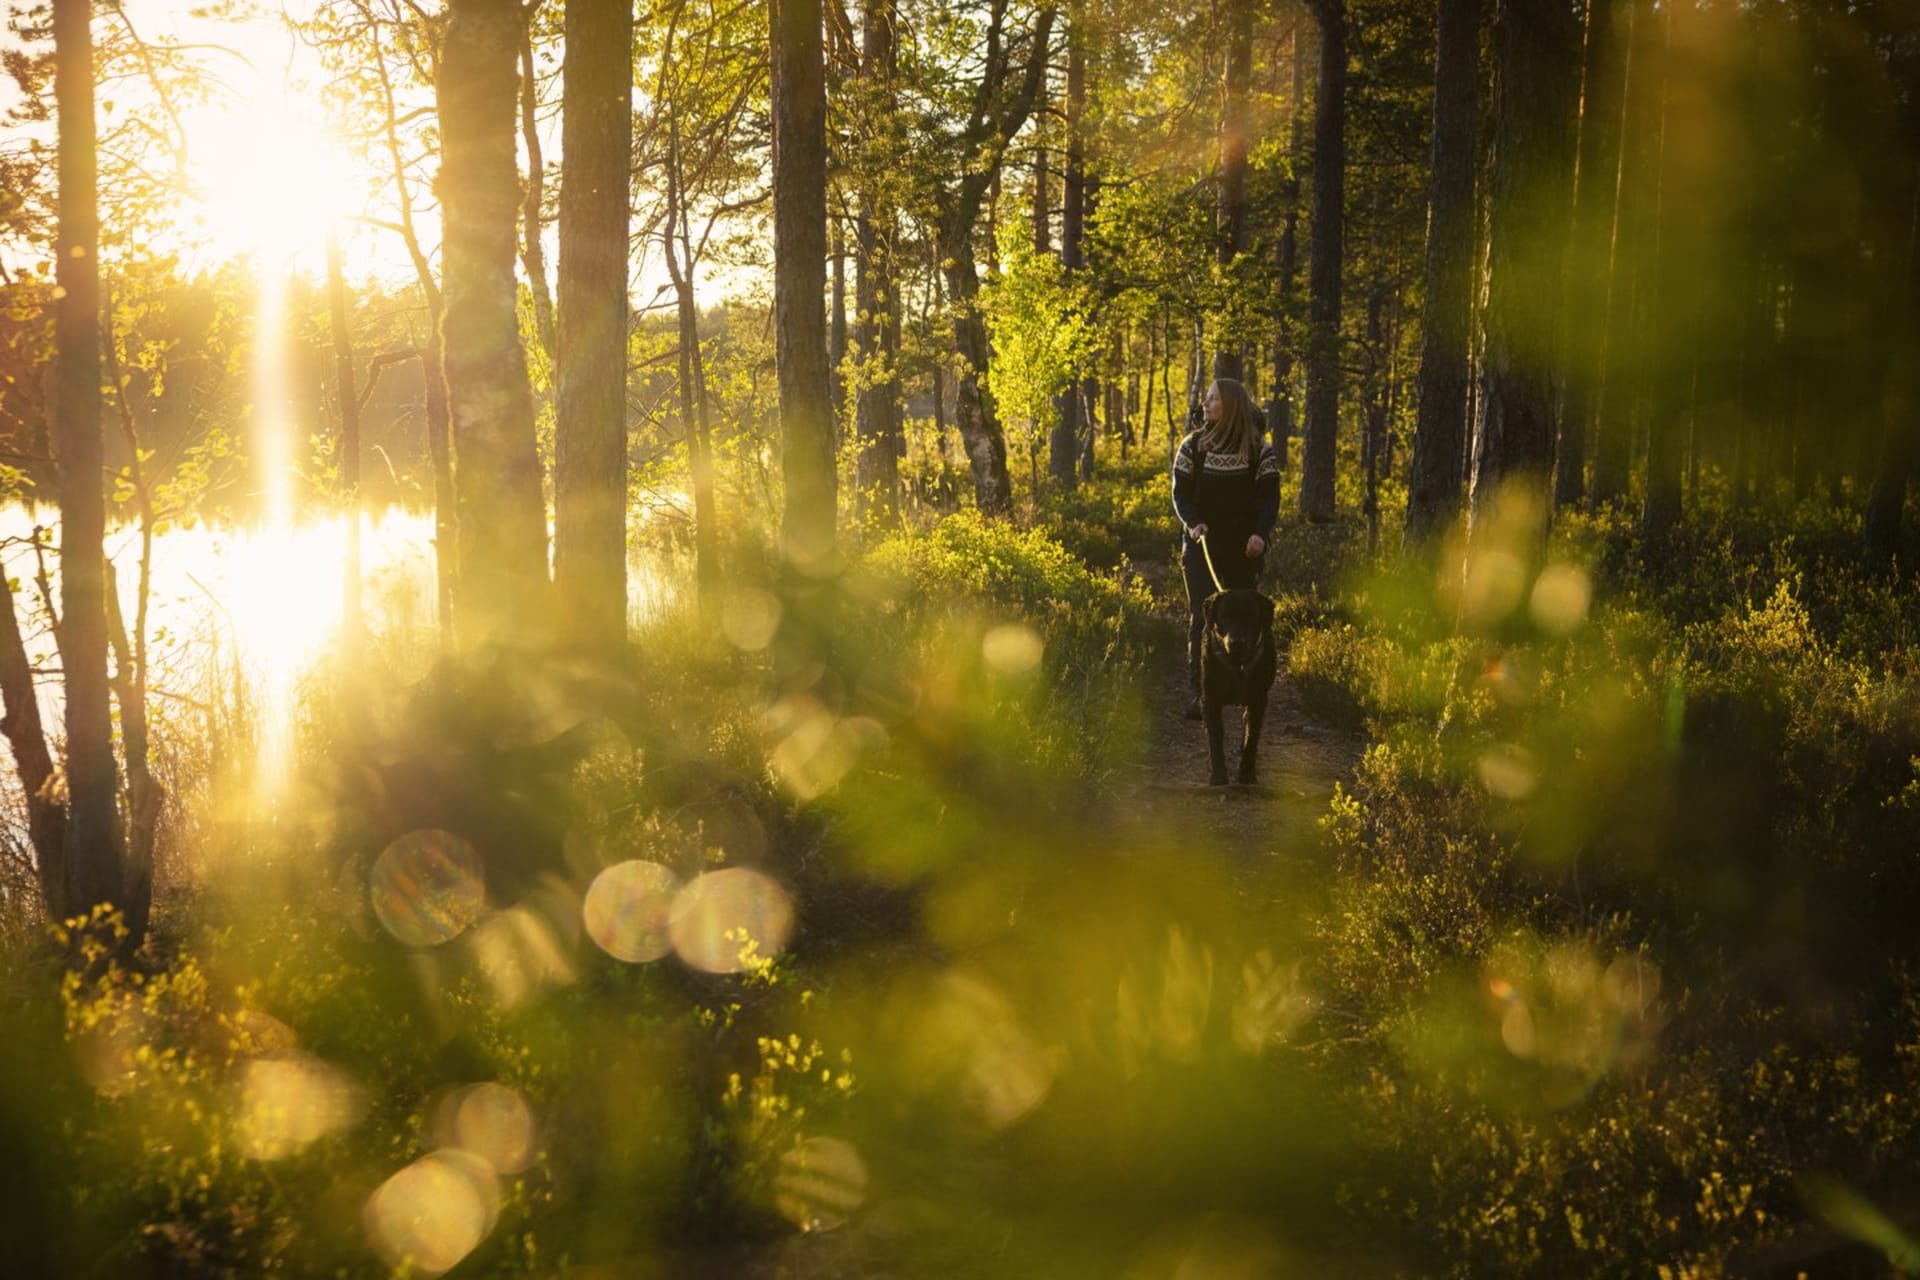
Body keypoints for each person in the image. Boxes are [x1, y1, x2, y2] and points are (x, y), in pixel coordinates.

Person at [1171, 377, 1280, 719]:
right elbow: (1180, 494)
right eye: (1206, 398)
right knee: (1203, 619)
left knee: (1248, 619)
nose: (1205, 403)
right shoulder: (1194, 446)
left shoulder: (1259, 450)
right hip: (1202, 547)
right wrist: (1193, 523)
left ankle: (1249, 688)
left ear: (1231, 405)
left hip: (1245, 549)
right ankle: (1202, 692)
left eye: (1213, 399)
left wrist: (1261, 534)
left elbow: (1269, 498)